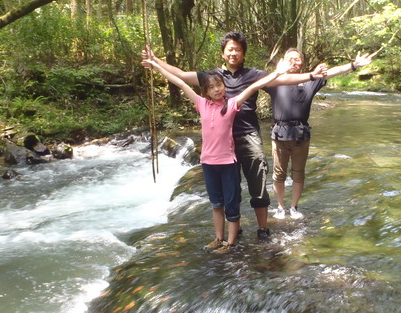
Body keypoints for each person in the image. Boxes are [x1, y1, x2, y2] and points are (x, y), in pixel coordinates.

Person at [142, 32, 325, 240]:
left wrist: (311, 76)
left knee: (258, 183)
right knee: (230, 187)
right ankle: (233, 229)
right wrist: (155, 60)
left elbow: (283, 79)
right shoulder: (213, 78)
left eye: (238, 49)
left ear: (243, 54)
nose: (234, 53)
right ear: (223, 52)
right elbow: (183, 77)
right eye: (230, 48)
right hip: (222, 143)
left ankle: (262, 228)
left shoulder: (253, 75)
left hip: (248, 135)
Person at [268, 48, 373, 220]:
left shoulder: (311, 80)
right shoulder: (276, 81)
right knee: (279, 174)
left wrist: (354, 65)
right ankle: (280, 207)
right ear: (284, 61)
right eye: (290, 59)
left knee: (298, 173)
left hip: (301, 134)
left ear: (303, 62)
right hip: (279, 134)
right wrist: (276, 72)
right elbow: (256, 82)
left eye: (298, 59)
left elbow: (332, 72)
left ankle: (294, 207)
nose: (295, 62)